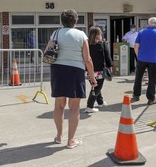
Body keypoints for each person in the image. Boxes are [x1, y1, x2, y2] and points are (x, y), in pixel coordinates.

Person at [45, 9, 97, 149]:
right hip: (75, 71)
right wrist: (92, 78)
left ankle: (59, 136)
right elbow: (88, 59)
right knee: (74, 108)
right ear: (75, 20)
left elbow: (46, 53)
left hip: (58, 70)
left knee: (58, 105)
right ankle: (71, 140)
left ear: (62, 20)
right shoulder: (81, 35)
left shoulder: (55, 33)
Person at [132, 17, 156, 105]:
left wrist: (138, 55)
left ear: (148, 23)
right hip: (153, 59)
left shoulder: (142, 32)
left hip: (141, 59)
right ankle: (151, 98)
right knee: (152, 79)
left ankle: (136, 95)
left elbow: (136, 46)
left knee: (138, 77)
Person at [84, 27, 112, 113]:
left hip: (88, 70)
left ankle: (100, 102)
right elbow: (107, 57)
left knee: (96, 86)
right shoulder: (103, 44)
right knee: (96, 88)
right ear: (98, 35)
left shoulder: (86, 44)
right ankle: (89, 106)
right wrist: (110, 66)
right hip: (99, 71)